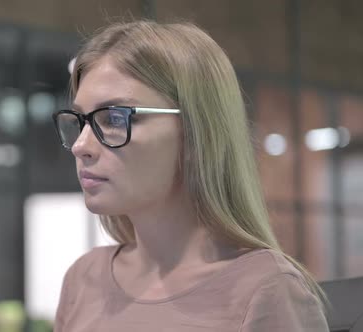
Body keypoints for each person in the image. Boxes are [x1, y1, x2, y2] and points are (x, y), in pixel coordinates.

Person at [51, 20, 329, 332]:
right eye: (81, 121)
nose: (81, 145)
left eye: (115, 118)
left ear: (196, 133)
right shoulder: (84, 279)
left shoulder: (265, 290)